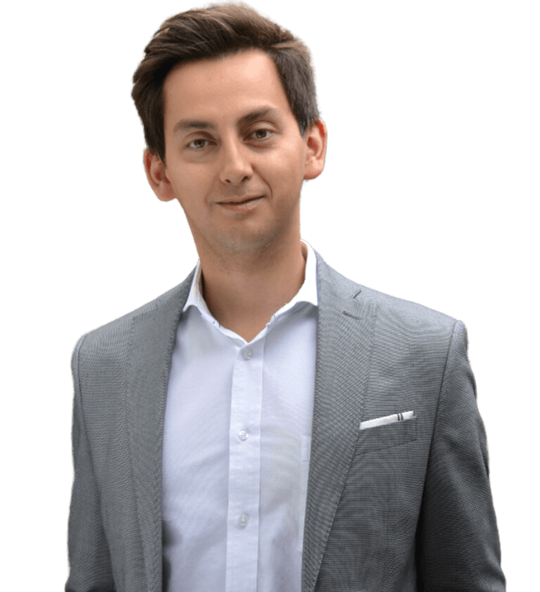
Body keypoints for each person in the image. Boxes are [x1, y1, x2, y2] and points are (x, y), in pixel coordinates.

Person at [65, 1, 505, 590]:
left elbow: (467, 580)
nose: (234, 166)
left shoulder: (426, 353)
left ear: (312, 145)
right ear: (158, 172)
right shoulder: (103, 366)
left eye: (259, 132)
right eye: (200, 142)